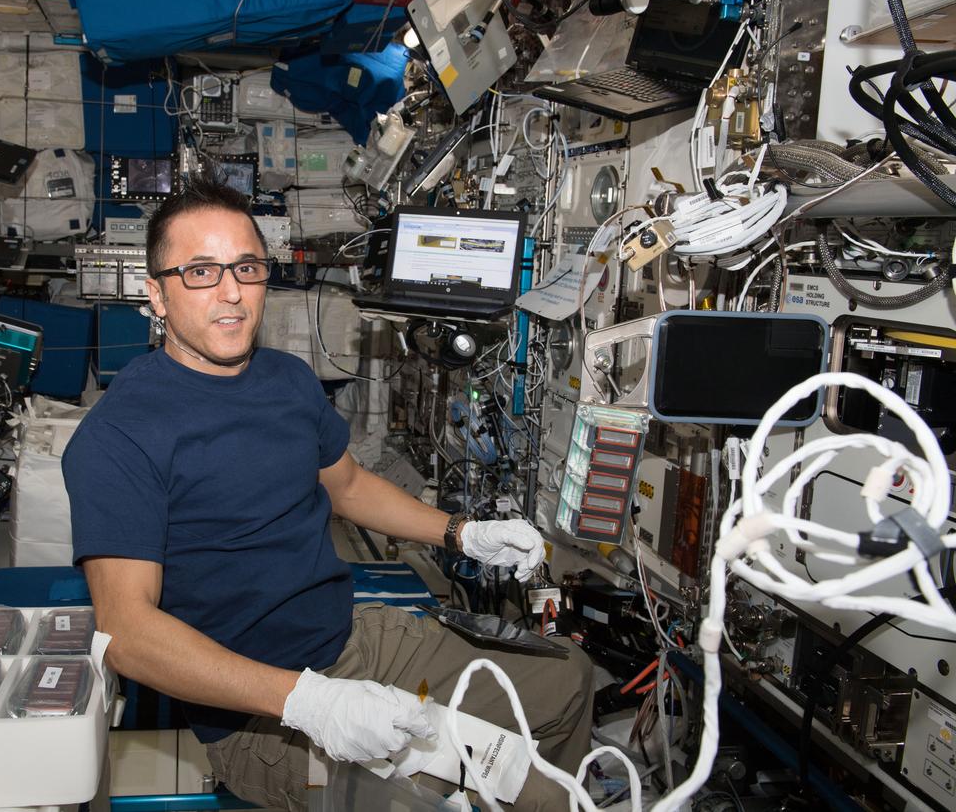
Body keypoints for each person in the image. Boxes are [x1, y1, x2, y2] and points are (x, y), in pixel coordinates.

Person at [62, 177, 593, 810]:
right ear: (156, 295)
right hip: (258, 712)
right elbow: (127, 632)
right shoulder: (119, 435)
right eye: (201, 272)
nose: (230, 293)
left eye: (246, 268)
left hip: (354, 638)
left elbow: (349, 487)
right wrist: (306, 701)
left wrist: (462, 533)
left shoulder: (287, 380)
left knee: (568, 677)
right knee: (512, 797)